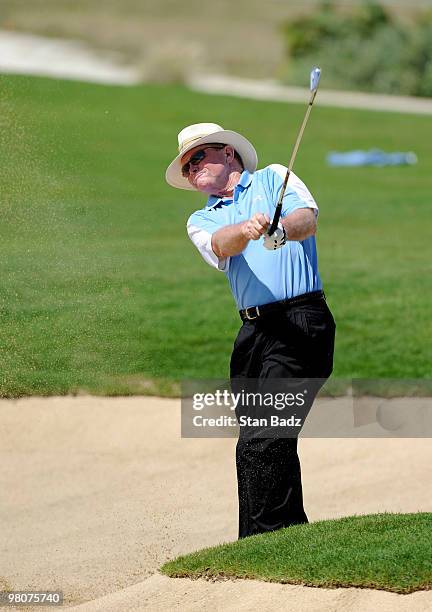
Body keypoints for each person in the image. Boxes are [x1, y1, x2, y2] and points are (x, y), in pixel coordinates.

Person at [165, 122, 336, 539]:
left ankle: (258, 540)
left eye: (196, 158)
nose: (191, 170)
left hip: (300, 320)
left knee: (266, 434)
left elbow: (305, 219)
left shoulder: (274, 177)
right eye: (186, 167)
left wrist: (279, 230)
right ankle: (288, 533)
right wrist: (244, 231)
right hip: (252, 334)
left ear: (227, 153)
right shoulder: (201, 218)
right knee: (259, 438)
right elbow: (221, 245)